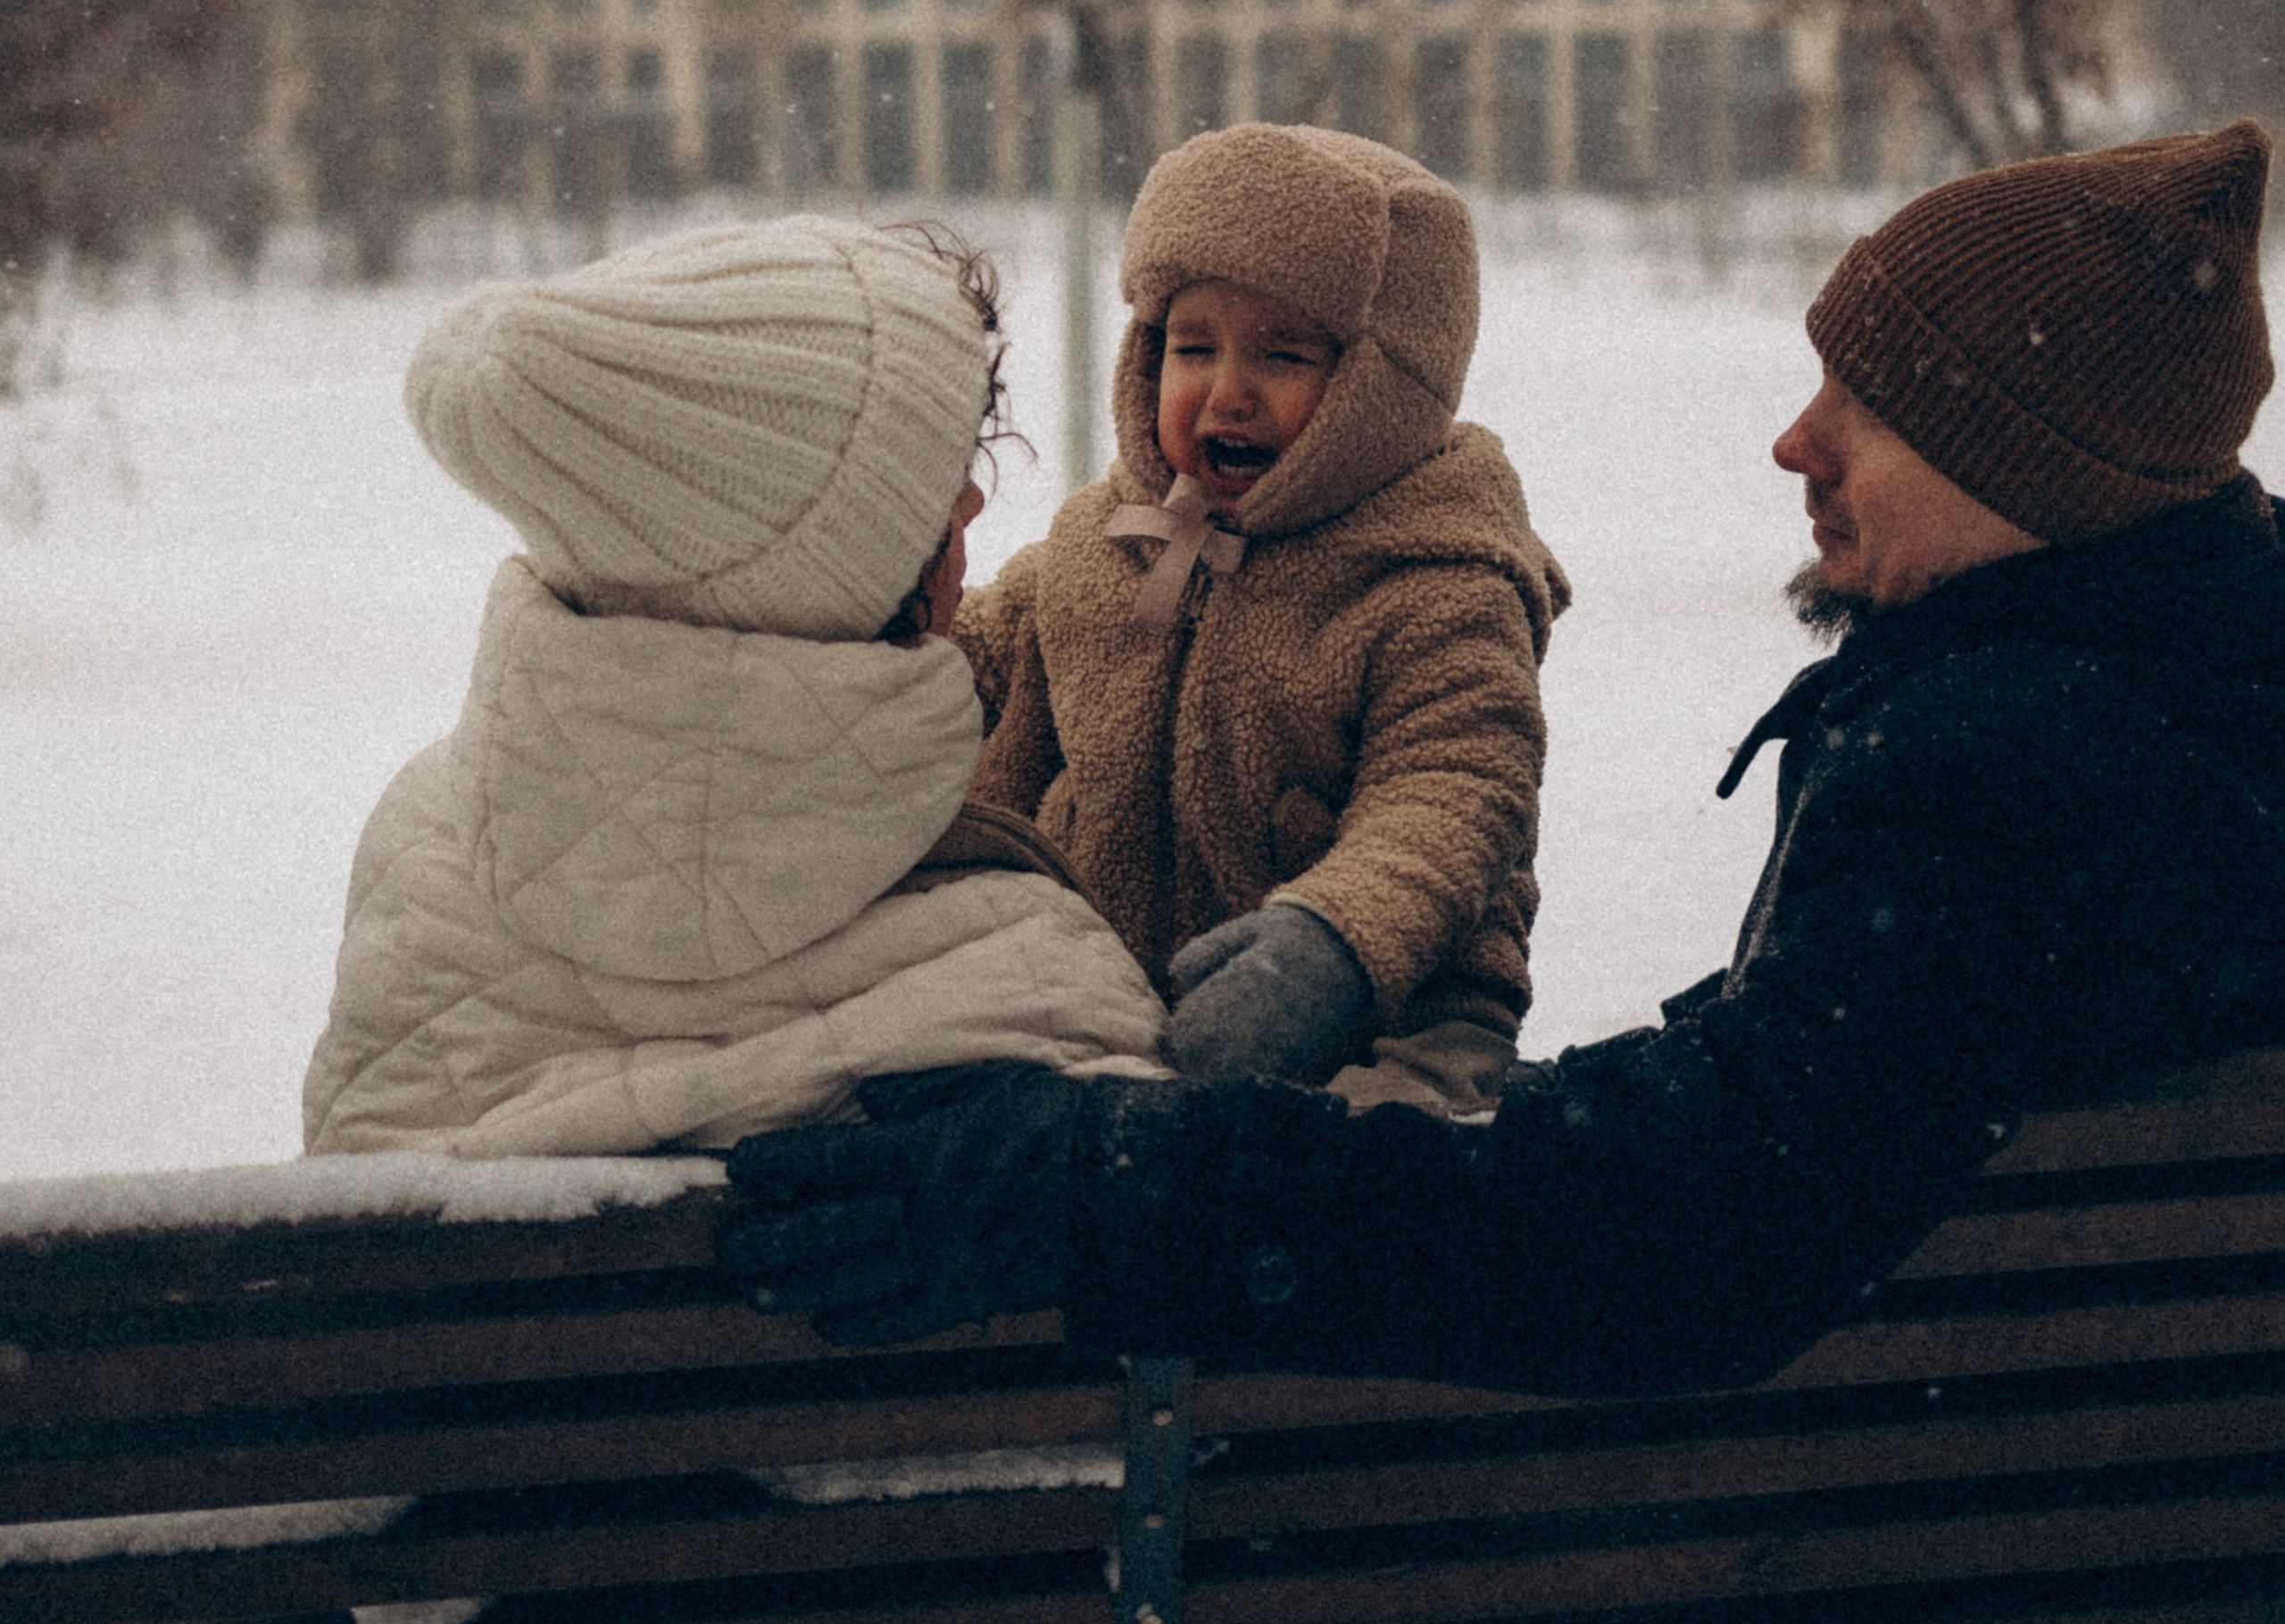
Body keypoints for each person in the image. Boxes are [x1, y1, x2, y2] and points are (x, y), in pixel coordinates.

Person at [719, 123, 2285, 1393]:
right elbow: (1820, 1113)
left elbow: (1693, 1227)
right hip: (2079, 1560)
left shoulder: (2004, 779)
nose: (1795, 444)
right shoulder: (2190, 707)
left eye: (1865, 409)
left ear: (2032, 466)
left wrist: (1104, 1187)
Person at [303, 219, 1167, 1159]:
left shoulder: (422, 857)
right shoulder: (1020, 970)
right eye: (936, 486)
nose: (971, 503)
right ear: (834, 578)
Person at [951, 122, 1567, 1115]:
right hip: (1111, 1017)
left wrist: (1335, 942)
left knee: (1373, 1195)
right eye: (1191, 348)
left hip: (1385, 1022)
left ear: (1384, 385)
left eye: (1281, 355)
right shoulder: (1104, 544)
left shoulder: (1438, 578)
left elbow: (1454, 787)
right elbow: (970, 666)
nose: (1224, 393)